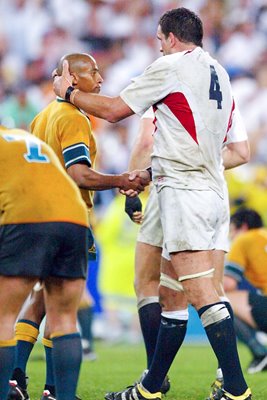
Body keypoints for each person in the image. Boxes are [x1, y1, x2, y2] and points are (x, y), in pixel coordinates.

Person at [53, 7, 252, 400]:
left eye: (160, 41)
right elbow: (234, 148)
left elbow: (113, 111)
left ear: (172, 39)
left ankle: (236, 389)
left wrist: (70, 93)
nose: (158, 48)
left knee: (200, 292)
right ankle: (150, 388)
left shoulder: (172, 66)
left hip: (184, 192)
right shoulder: (220, 72)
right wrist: (151, 171)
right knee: (171, 292)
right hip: (204, 187)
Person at [8, 52, 150, 400]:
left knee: (40, 302)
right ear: (72, 79)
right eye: (92, 73)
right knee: (62, 310)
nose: (100, 79)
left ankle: (18, 378)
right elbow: (78, 173)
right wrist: (122, 178)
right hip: (70, 219)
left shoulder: (42, 116)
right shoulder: (73, 116)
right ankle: (56, 389)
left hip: (33, 219)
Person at [123, 103, 251, 397]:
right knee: (212, 287)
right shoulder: (222, 91)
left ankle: (153, 377)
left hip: (174, 188)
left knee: (148, 283)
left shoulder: (170, 81)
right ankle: (226, 377)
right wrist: (204, 163)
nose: (161, 51)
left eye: (165, 50)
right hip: (216, 191)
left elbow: (146, 139)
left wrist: (134, 185)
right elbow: (242, 152)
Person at [0, 125, 90, 400]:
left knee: (3, 317)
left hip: (29, 217)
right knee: (64, 319)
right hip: (75, 218)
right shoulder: (21, 137)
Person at [223, 208, 267, 374]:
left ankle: (260, 352)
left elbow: (228, 284)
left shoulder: (243, 240)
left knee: (220, 301)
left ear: (243, 227)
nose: (230, 235)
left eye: (232, 229)